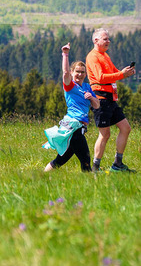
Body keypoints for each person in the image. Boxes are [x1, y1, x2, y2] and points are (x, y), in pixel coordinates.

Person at [43, 43, 100, 173]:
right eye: (77, 72)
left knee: (61, 159)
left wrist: (91, 98)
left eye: (82, 72)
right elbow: (65, 72)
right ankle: (90, 186)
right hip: (74, 127)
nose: (79, 74)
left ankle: (42, 177)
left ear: (85, 74)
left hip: (80, 128)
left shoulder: (87, 88)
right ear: (72, 72)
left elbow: (97, 105)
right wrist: (65, 54)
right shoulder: (70, 86)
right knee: (85, 159)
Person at [85, 27, 135, 172]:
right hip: (101, 98)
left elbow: (114, 72)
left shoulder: (105, 55)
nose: (108, 41)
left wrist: (125, 72)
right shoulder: (93, 56)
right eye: (105, 39)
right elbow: (100, 77)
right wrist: (121, 75)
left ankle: (118, 164)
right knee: (105, 134)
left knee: (125, 128)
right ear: (96, 40)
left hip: (110, 98)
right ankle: (95, 167)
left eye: (108, 38)